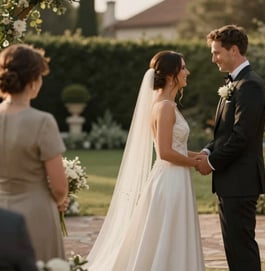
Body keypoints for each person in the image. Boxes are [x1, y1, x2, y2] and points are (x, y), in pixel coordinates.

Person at [86, 51, 205, 271]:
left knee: (167, 232)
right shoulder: (166, 107)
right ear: (171, 75)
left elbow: (175, 147)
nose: (187, 72)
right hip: (170, 180)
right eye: (183, 68)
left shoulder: (164, 103)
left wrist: (198, 155)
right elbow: (165, 152)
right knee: (168, 231)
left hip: (174, 177)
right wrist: (196, 163)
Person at [195, 24, 265, 271]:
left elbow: (242, 137)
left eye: (217, 52)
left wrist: (212, 162)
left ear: (234, 50)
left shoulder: (250, 85)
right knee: (234, 247)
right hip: (231, 181)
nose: (213, 58)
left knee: (242, 247)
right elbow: (224, 133)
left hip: (241, 181)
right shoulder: (235, 84)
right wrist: (207, 150)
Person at [0, 44, 68, 261]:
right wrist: (61, 199)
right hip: (37, 214)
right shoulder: (42, 121)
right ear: (33, 80)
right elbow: (59, 187)